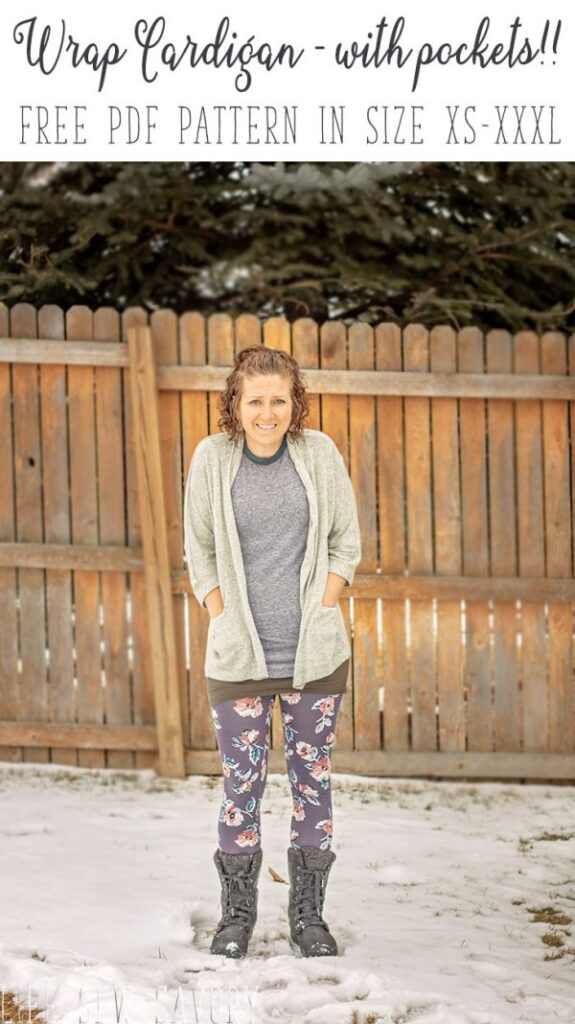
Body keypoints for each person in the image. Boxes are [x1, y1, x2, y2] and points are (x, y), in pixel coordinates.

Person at [184, 345, 361, 959]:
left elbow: (346, 541)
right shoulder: (212, 459)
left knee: (313, 783)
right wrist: (221, 615)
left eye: (278, 400)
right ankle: (237, 917)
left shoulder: (320, 455)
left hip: (314, 658)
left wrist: (325, 604)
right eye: (254, 400)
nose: (267, 412)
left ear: (295, 402)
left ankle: (308, 920)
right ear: (235, 402)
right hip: (239, 660)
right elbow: (199, 550)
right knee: (242, 785)